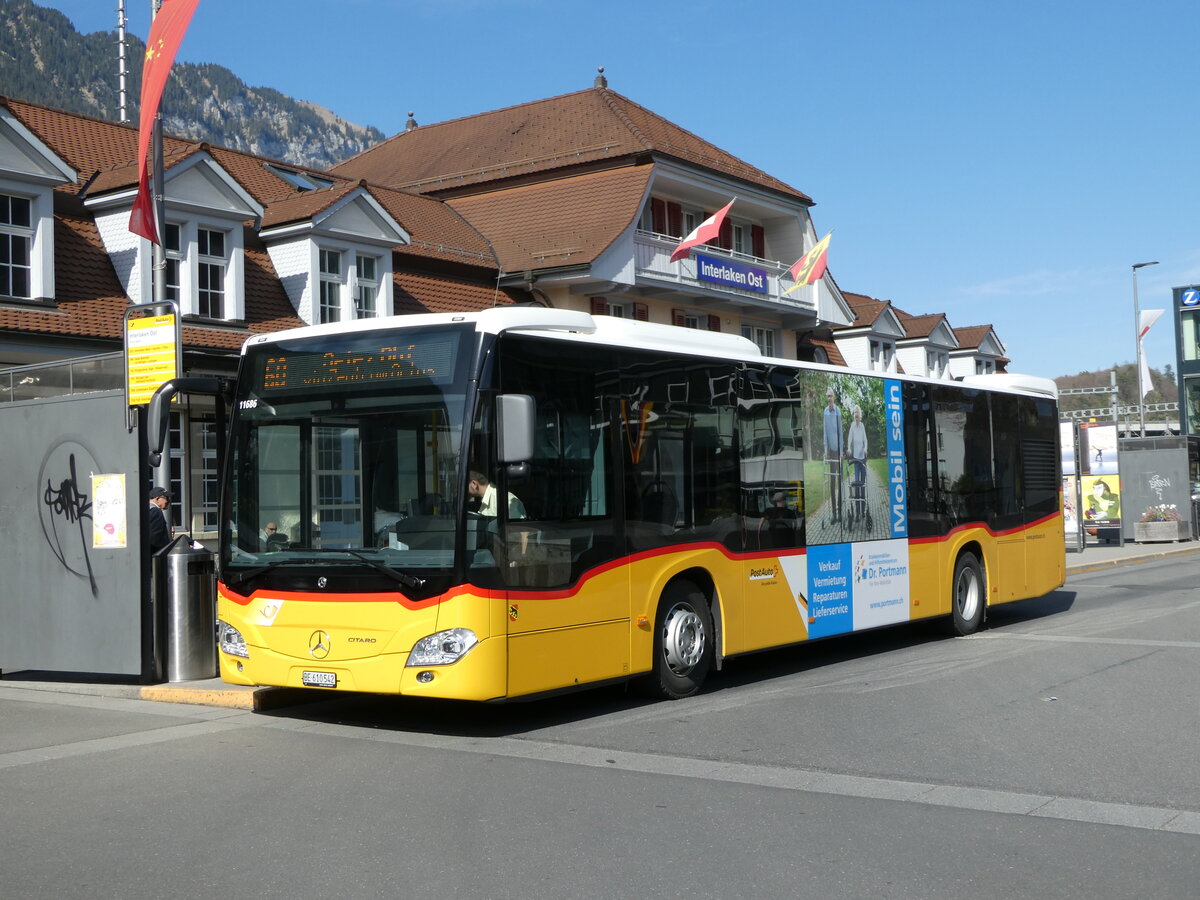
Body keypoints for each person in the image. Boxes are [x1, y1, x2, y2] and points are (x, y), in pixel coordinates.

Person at [822, 388, 843, 522]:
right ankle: (834, 514)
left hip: (838, 452)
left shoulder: (837, 411)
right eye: (827, 396)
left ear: (834, 397)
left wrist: (841, 452)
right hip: (830, 451)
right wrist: (825, 450)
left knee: (839, 480)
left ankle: (840, 512)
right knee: (832, 482)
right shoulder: (825, 411)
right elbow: (825, 432)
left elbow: (840, 432)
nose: (829, 398)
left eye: (831, 396)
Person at [148, 486, 172, 553]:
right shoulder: (155, 511)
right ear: (157, 498)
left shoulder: (144, 509)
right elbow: (155, 539)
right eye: (166, 498)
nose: (168, 501)